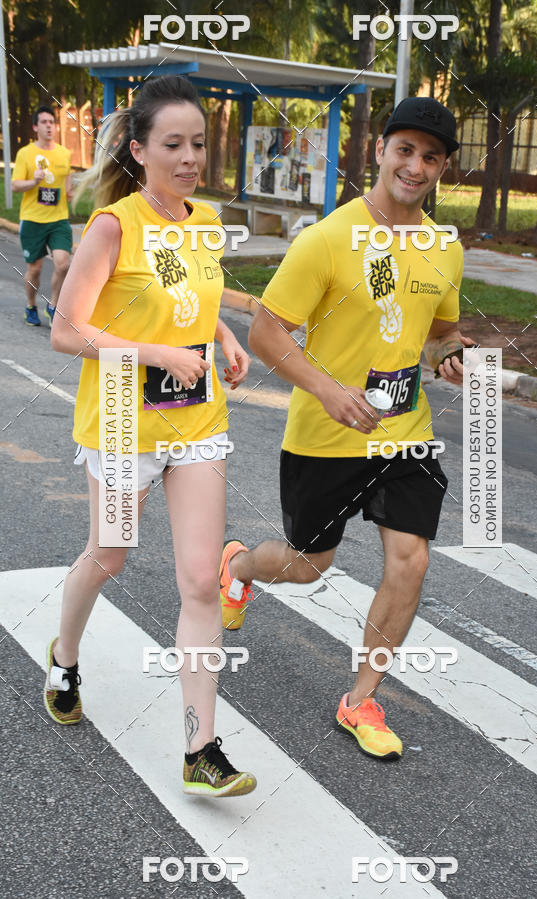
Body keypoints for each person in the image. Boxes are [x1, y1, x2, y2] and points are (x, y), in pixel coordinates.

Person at [219, 96, 475, 761]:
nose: (415, 166)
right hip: (325, 434)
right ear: (381, 151)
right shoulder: (329, 237)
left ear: (443, 167)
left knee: (410, 559)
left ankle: (360, 697)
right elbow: (267, 329)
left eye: (431, 156)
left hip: (402, 428)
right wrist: (328, 389)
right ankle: (240, 563)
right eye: (406, 150)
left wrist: (450, 355)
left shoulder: (445, 248)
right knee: (307, 565)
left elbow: (440, 331)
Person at [46, 75, 256, 797]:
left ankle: (202, 748)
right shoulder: (114, 225)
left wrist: (221, 333)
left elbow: (185, 298)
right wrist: (155, 354)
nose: (190, 156)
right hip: (120, 417)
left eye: (198, 143)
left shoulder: (203, 223)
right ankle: (65, 652)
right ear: (138, 150)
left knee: (201, 579)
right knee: (110, 552)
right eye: (173, 144)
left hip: (197, 417)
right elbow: (66, 331)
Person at [11, 106, 73, 327]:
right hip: (33, 219)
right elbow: (16, 185)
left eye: (52, 122)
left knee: (63, 264)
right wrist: (34, 181)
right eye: (44, 122)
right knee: (35, 269)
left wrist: (70, 192)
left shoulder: (64, 153)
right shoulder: (25, 154)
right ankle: (30, 305)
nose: (49, 126)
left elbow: (67, 182)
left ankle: (53, 305)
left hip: (58, 219)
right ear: (36, 127)